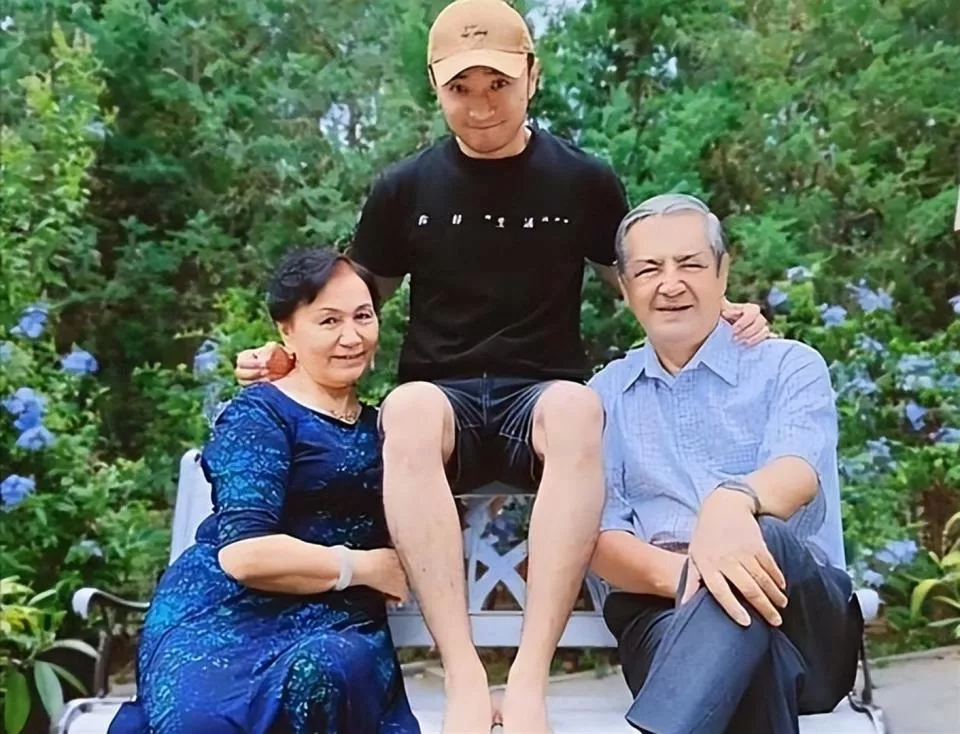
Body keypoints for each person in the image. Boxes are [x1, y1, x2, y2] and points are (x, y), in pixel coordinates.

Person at [234, 2, 770, 731]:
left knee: (579, 407)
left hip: (539, 401)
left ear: (532, 77)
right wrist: (291, 354)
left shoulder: (582, 181)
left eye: (498, 84)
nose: (481, 104)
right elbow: (352, 300)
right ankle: (463, 677)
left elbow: (641, 283)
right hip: (441, 402)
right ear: (435, 85)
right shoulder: (404, 188)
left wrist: (723, 308)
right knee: (409, 409)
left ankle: (526, 682)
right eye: (461, 87)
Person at [109, 249, 420, 734]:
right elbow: (245, 555)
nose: (351, 337)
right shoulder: (261, 415)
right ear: (286, 330)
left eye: (363, 316)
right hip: (225, 612)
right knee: (203, 721)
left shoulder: (389, 426)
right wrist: (363, 566)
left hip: (335, 622)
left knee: (323, 672)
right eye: (329, 321)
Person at [588, 193, 863, 734]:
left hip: (802, 618)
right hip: (665, 620)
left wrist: (730, 504)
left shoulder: (788, 366)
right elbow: (600, 540)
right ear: (624, 286)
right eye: (649, 269)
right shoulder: (602, 397)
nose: (670, 284)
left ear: (722, 272)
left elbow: (797, 472)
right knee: (750, 657)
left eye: (690, 264)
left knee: (765, 536)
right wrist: (704, 575)